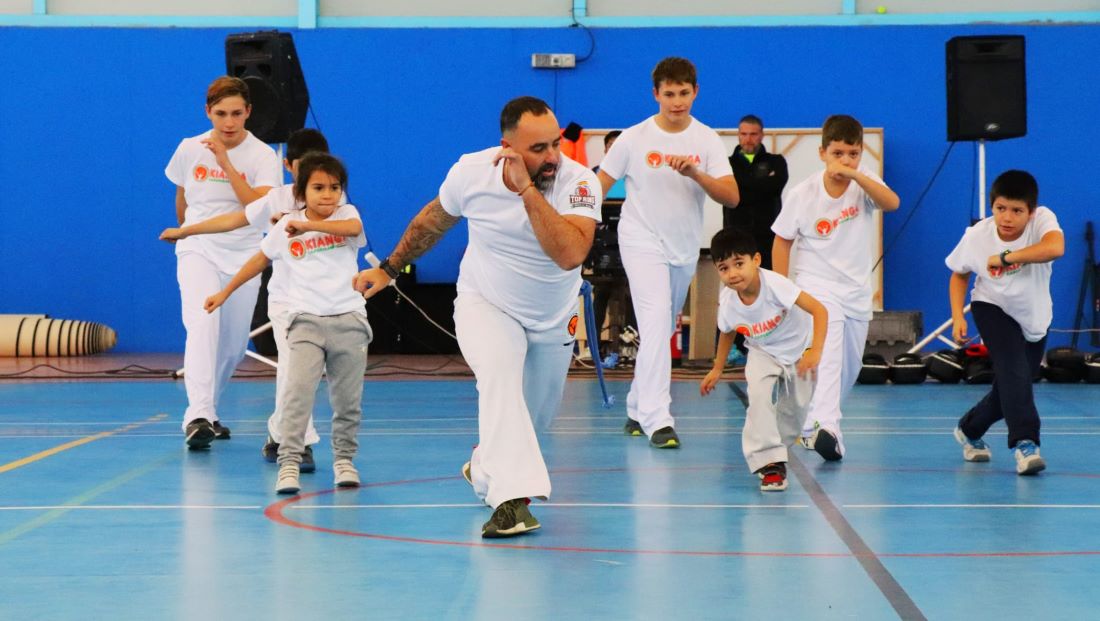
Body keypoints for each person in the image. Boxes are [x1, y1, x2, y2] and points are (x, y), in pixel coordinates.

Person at [354, 96, 600, 538]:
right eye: (538, 148)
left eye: (555, 144)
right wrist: (389, 269)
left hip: (553, 315)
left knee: (534, 420)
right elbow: (434, 219)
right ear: (507, 146)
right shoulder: (472, 171)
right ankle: (513, 504)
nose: (551, 157)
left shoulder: (579, 182)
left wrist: (527, 190)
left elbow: (570, 254)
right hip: (485, 301)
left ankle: (484, 463)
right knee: (500, 376)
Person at [161, 128, 336, 470]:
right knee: (295, 368)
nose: (318, 181)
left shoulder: (340, 207)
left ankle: (278, 434)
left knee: (287, 367)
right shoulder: (278, 200)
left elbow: (353, 230)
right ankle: (293, 441)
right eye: (307, 169)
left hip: (328, 305)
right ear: (290, 166)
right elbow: (237, 221)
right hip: (288, 302)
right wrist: (186, 231)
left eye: (325, 175)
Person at [205, 153, 369, 493]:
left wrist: (306, 225)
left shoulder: (347, 215)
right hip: (304, 321)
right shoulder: (284, 228)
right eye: (318, 187)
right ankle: (289, 464)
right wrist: (225, 292)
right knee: (297, 396)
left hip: (348, 319)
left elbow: (352, 229)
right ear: (301, 192)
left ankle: (344, 461)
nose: (328, 195)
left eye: (335, 188)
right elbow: (259, 260)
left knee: (347, 401)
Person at [596, 56, 739, 448]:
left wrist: (696, 173)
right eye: (670, 94)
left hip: (683, 247)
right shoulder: (632, 138)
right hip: (640, 239)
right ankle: (658, 419)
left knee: (662, 326)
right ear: (656, 94)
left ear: (695, 92)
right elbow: (599, 185)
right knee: (657, 321)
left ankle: (635, 405)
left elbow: (731, 195)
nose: (677, 101)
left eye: (684, 93)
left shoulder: (706, 140)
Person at [771, 114, 900, 462]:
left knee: (850, 368)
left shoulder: (865, 184)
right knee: (828, 355)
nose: (845, 161)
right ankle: (822, 422)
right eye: (839, 153)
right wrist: (783, 294)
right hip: (817, 285)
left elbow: (893, 204)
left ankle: (825, 431)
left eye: (853, 154)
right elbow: (782, 242)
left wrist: (858, 175)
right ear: (822, 152)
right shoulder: (802, 194)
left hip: (856, 289)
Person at [165, 76, 282, 449]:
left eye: (236, 114)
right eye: (220, 114)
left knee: (232, 346)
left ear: (248, 112)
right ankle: (197, 415)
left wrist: (225, 162)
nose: (228, 122)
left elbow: (255, 209)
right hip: (197, 248)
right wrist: (187, 232)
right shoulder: (187, 148)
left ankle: (210, 412)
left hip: (245, 254)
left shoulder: (264, 156)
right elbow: (183, 200)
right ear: (208, 112)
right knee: (202, 324)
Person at [946, 170, 1063, 475]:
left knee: (1015, 384)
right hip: (992, 306)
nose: (1007, 218)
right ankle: (1026, 444)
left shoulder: (1043, 221)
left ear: (1031, 211)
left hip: (1034, 316)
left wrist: (1007, 257)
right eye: (1000, 209)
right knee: (1013, 371)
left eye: (1016, 211)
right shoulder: (977, 236)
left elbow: (1055, 248)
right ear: (992, 207)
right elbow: (959, 274)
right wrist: (959, 315)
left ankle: (970, 429)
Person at [700, 228, 827, 490]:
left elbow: (819, 310)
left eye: (739, 264)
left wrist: (815, 351)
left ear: (756, 260)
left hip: (798, 350)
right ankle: (770, 463)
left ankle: (777, 448)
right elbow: (727, 331)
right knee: (758, 399)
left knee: (796, 411)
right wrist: (717, 368)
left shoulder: (776, 286)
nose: (733, 273)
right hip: (762, 351)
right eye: (724, 268)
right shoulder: (729, 301)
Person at [723, 115, 789, 270]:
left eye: (753, 134)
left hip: (768, 236)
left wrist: (741, 186)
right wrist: (763, 185)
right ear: (738, 135)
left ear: (761, 136)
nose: (748, 139)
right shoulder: (726, 164)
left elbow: (776, 186)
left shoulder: (776, 161)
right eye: (744, 134)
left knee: (768, 282)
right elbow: (727, 193)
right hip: (735, 235)